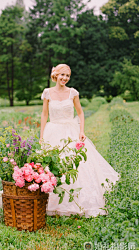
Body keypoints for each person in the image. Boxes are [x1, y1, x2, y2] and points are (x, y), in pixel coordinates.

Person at [40, 64, 119, 217]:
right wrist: (42, 136)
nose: (65, 78)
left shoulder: (73, 93)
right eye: (62, 75)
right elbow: (44, 115)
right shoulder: (47, 93)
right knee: (53, 163)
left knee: (77, 164)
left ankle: (79, 200)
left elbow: (81, 113)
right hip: (53, 130)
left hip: (71, 130)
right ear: (55, 75)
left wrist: (81, 131)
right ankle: (52, 200)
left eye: (67, 76)